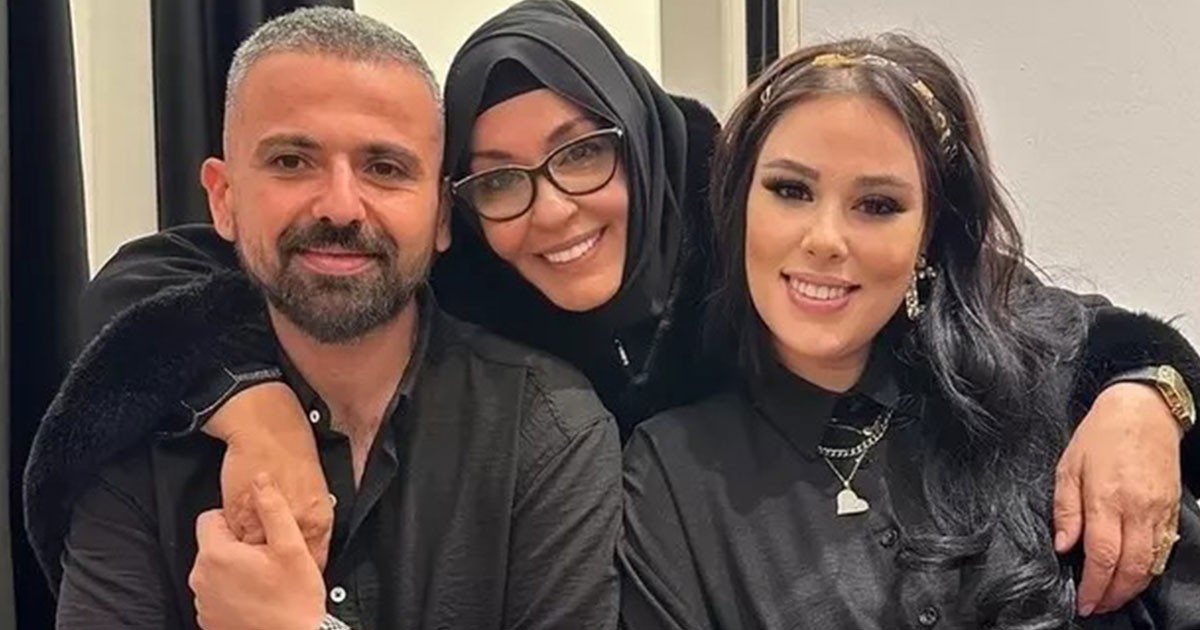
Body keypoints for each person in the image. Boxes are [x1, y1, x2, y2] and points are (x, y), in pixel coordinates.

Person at [24, 0, 1200, 617]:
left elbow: (1050, 324)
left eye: (584, 151)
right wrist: (252, 401)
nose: (551, 210)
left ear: (641, 140)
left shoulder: (738, 223)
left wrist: (1147, 394)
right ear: (457, 206)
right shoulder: (460, 273)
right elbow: (147, 284)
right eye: (499, 178)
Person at [43, 9, 620, 629]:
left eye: (385, 168)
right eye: (292, 161)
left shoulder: (547, 429)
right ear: (224, 198)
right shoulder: (145, 435)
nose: (341, 207)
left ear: (442, 214)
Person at [618, 34, 1200, 629]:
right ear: (739, 204)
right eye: (791, 191)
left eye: (877, 205)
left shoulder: (1059, 385)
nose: (825, 239)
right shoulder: (672, 476)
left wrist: (1151, 394)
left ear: (929, 233)